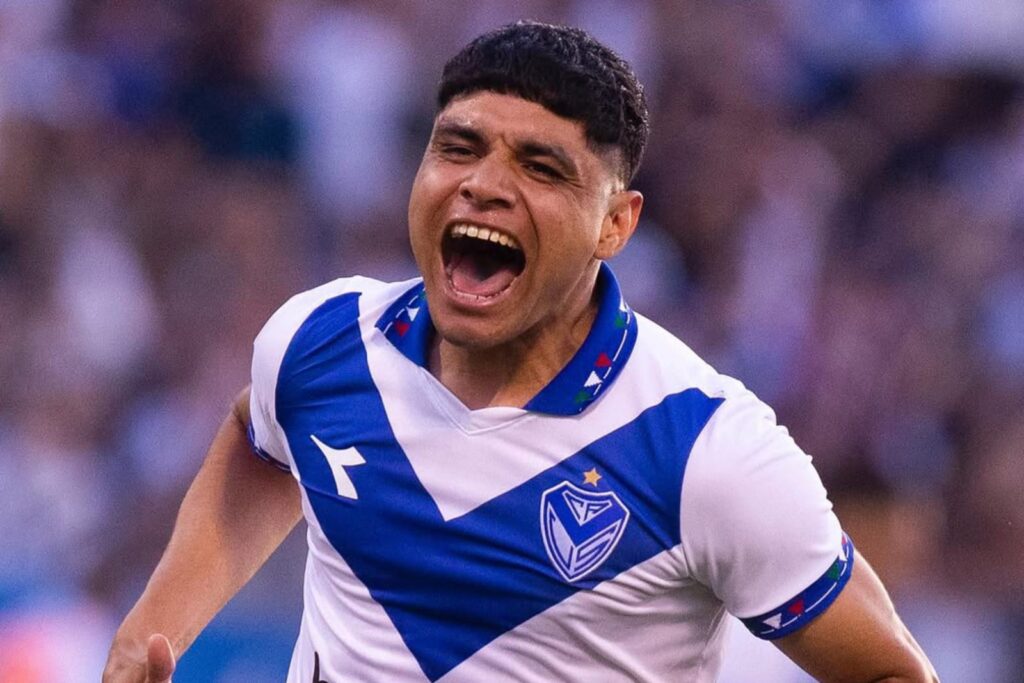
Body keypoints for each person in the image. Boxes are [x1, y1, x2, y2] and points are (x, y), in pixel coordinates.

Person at [103, 21, 938, 683]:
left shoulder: (702, 449)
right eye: (458, 147)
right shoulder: (319, 343)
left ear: (617, 222)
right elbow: (260, 443)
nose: (484, 184)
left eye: (540, 166)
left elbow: (891, 670)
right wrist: (154, 625)